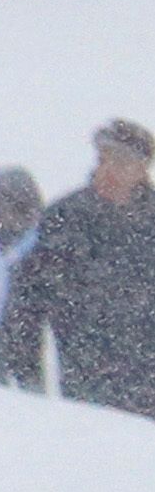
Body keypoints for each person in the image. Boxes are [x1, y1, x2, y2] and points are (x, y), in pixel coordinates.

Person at [16, 117, 155, 416]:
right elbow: (27, 301)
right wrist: (28, 377)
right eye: (103, 159)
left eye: (121, 162)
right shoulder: (63, 218)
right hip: (85, 388)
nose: (108, 170)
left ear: (143, 168)